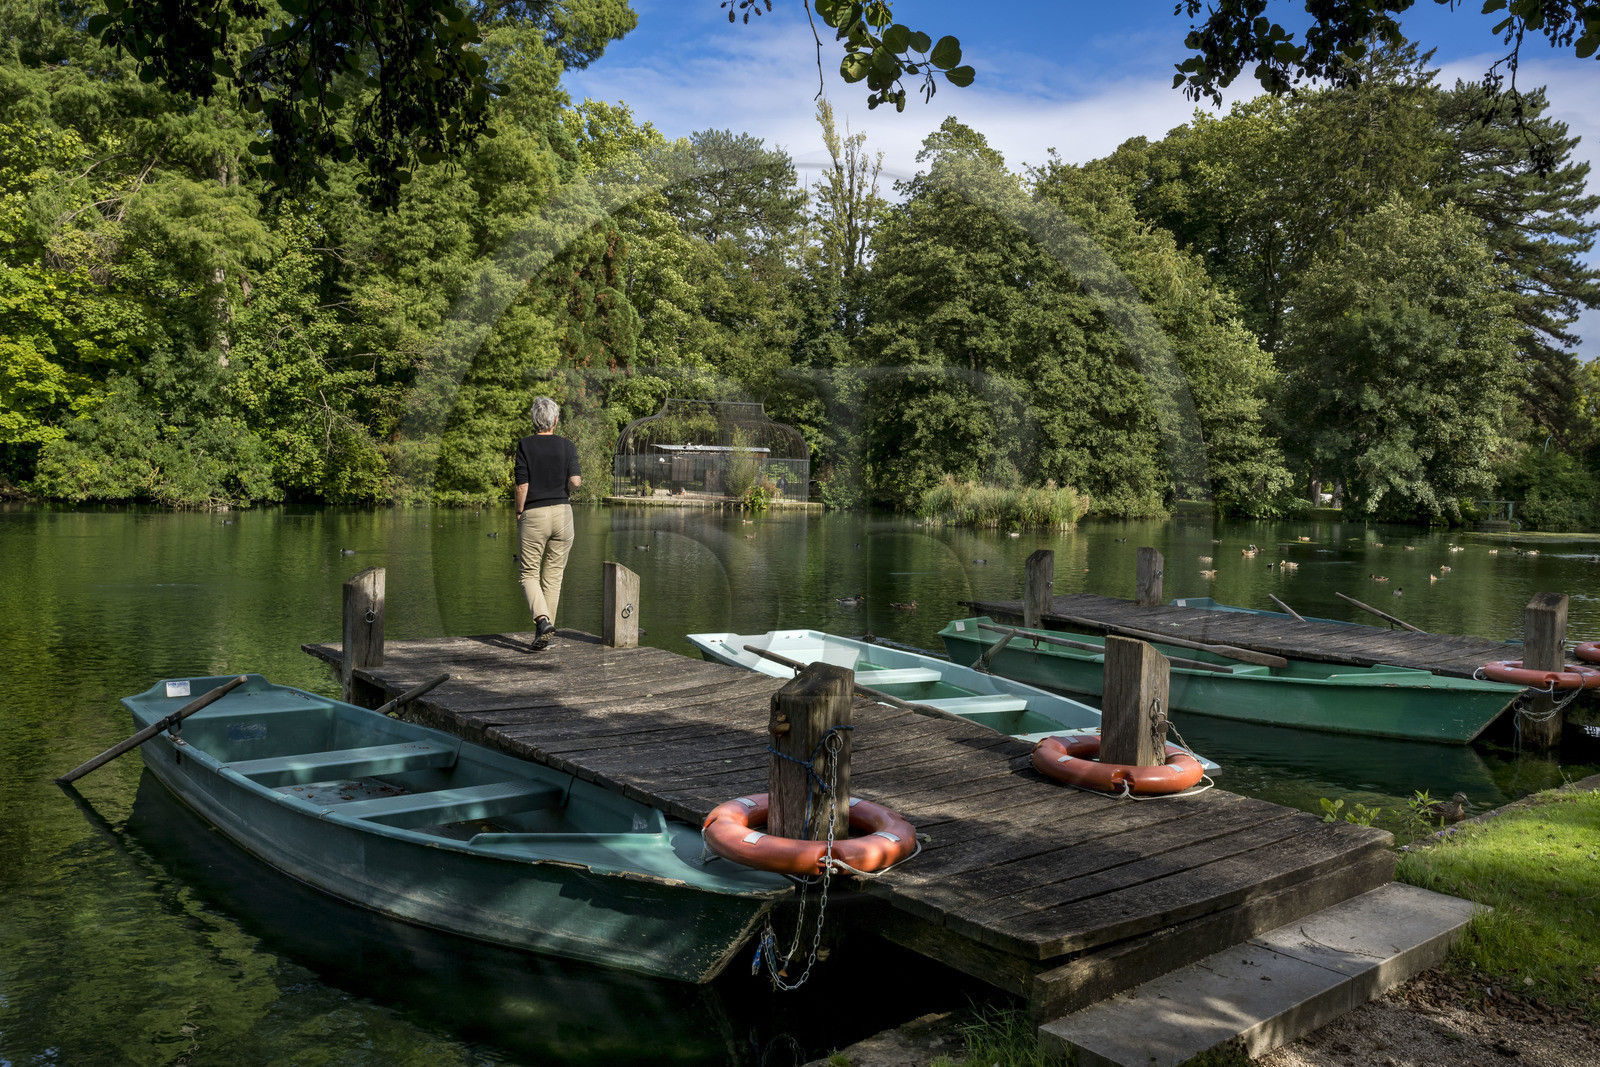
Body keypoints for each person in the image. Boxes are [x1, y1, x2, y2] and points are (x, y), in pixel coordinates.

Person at [513, 397, 580, 650]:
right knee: (553, 577)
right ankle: (545, 633)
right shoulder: (567, 445)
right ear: (555, 420)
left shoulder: (525, 445)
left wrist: (519, 511)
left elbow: (522, 485)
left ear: (534, 420)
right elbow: (575, 481)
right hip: (564, 515)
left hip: (535, 515)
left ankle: (542, 622)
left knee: (528, 574)